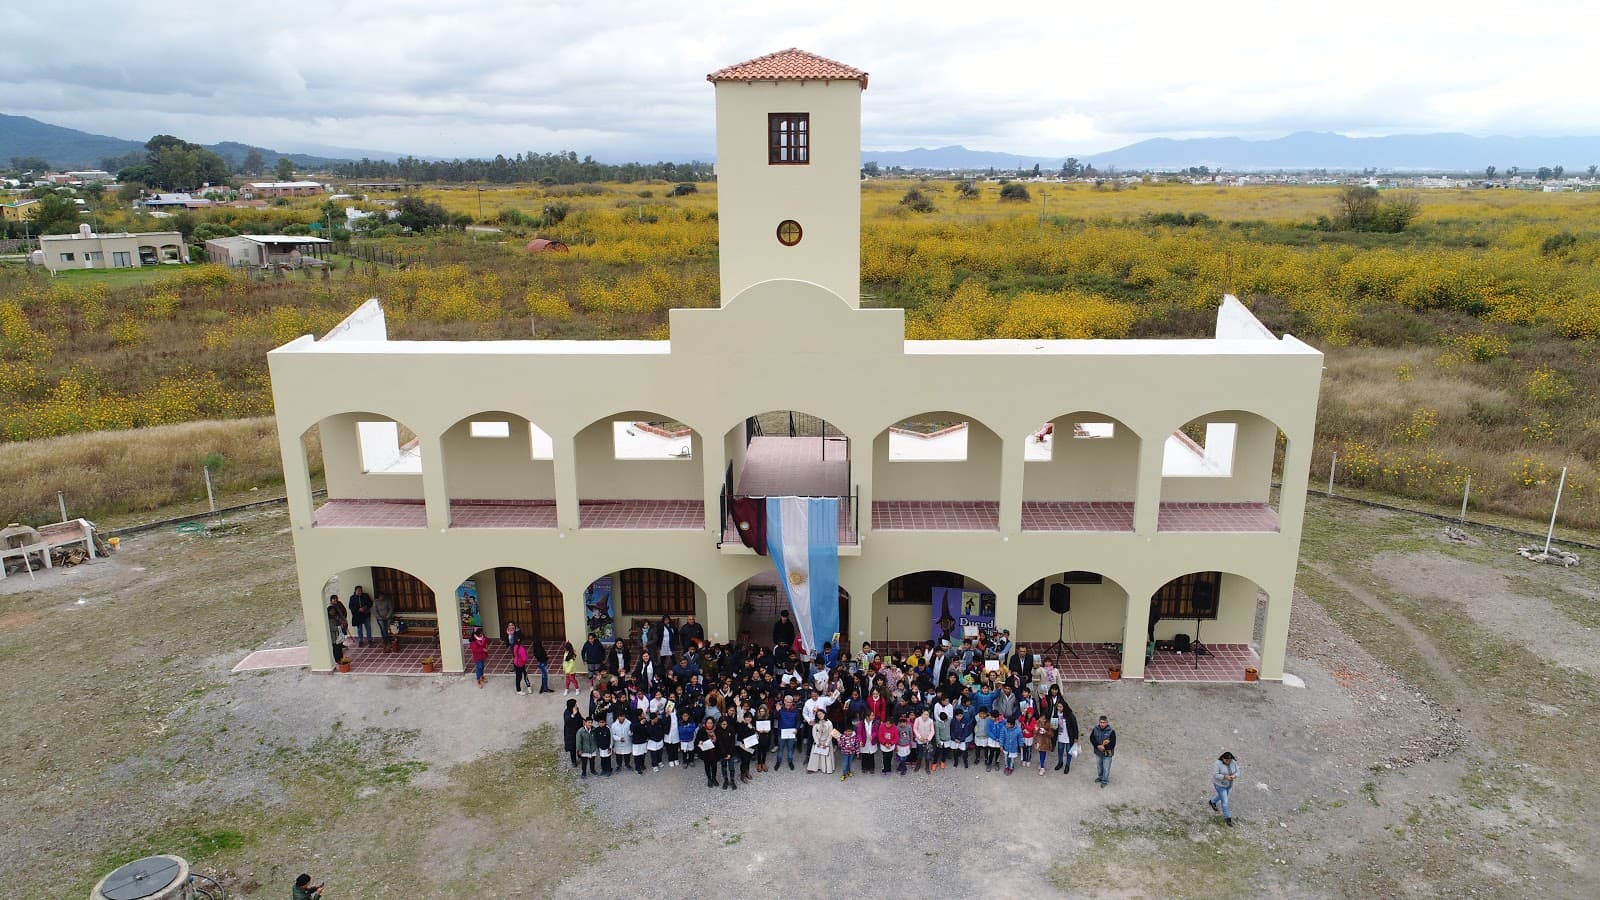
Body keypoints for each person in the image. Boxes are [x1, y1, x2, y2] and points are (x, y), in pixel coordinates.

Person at [1211, 751, 1239, 826]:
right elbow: (1215, 775)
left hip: (1229, 785)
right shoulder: (1217, 763)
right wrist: (1225, 776)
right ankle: (1228, 818)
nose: (1228, 762)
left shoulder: (1233, 762)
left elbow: (1238, 772)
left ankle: (1212, 802)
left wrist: (1234, 776)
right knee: (1225, 802)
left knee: (1222, 796)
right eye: (1226, 760)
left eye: (1230, 760)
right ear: (1223, 758)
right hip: (1219, 785)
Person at [1090, 715, 1117, 787]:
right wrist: (1097, 746)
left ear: (1107, 723)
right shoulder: (1095, 729)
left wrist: (1104, 747)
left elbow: (1113, 743)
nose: (1102, 724)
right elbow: (1092, 738)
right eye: (1101, 722)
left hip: (1107, 754)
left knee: (1106, 767)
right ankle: (1100, 777)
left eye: (1103, 722)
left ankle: (1104, 781)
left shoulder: (1111, 731)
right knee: (1099, 766)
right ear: (1099, 722)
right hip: (1098, 752)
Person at [807, 710, 836, 774]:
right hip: (818, 742)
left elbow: (830, 734)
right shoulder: (816, 723)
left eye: (821, 714)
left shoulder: (829, 723)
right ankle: (813, 768)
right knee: (815, 755)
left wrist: (826, 743)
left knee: (826, 755)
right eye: (818, 715)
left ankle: (826, 768)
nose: (820, 716)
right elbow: (814, 733)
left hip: (826, 742)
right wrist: (817, 742)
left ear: (824, 714)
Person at [325, 594, 348, 664]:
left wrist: (343, 622)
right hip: (334, 637)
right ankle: (337, 660)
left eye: (333, 610)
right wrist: (340, 626)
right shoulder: (329, 619)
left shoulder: (336, 616)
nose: (333, 612)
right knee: (336, 649)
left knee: (339, 648)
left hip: (338, 636)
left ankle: (341, 659)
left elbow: (343, 612)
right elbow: (332, 628)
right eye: (331, 611)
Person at [562, 698, 584, 767]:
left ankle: (580, 756)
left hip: (578, 730)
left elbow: (579, 717)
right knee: (573, 747)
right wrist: (573, 715)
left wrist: (583, 720)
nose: (576, 705)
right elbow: (568, 722)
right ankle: (573, 761)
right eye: (575, 705)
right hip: (571, 733)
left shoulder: (577, 709)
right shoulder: (567, 712)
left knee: (579, 744)